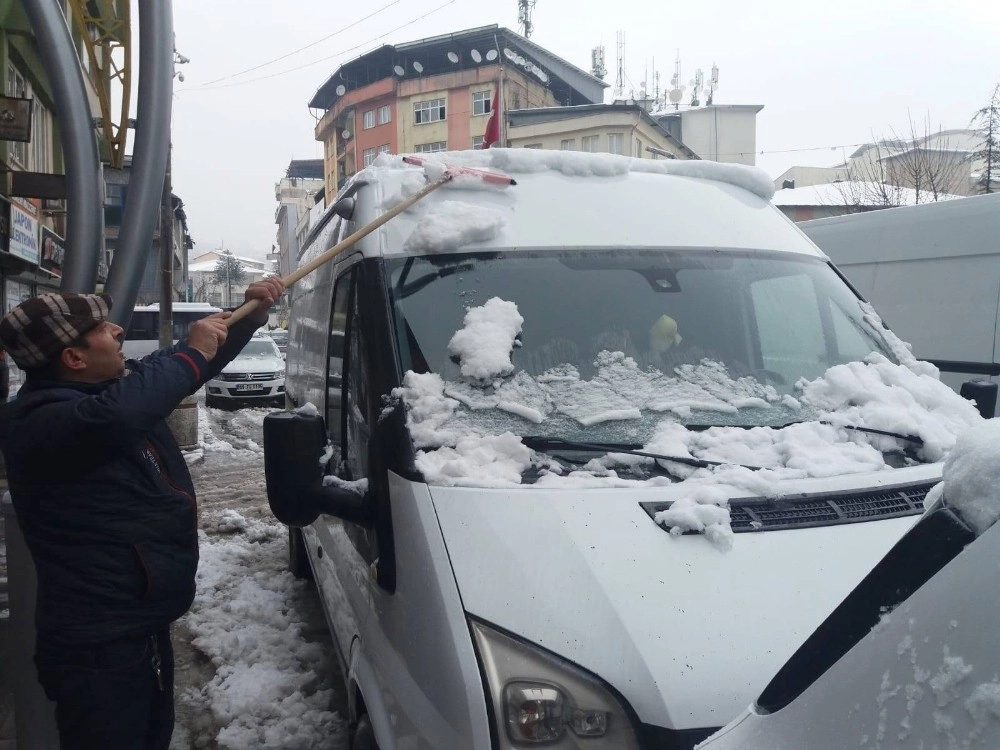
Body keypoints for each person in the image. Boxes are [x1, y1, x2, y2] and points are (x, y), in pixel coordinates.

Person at [0, 279, 284, 750]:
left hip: (135, 629)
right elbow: (129, 409)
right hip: (99, 647)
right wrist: (190, 354)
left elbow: (177, 369)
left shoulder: (110, 392)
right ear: (73, 358)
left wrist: (249, 314)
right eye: (101, 328)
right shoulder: (46, 422)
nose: (116, 330)